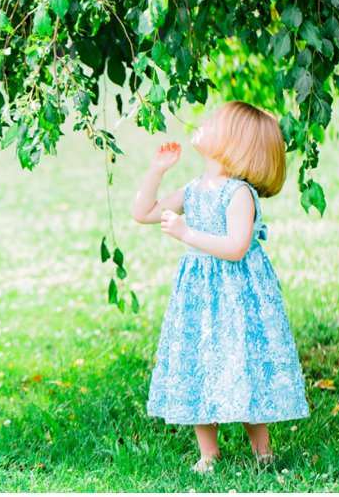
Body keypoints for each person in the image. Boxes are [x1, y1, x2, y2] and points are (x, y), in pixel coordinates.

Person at [131, 101, 310, 475]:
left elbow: (236, 247)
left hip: (237, 296)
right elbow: (144, 212)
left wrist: (187, 234)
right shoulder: (195, 189)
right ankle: (207, 453)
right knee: (201, 364)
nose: (204, 123)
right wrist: (157, 170)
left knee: (243, 364)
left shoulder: (239, 194)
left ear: (235, 144)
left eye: (215, 122)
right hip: (199, 295)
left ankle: (263, 453)